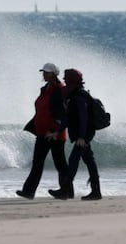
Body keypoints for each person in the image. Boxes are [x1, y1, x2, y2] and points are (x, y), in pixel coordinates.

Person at [16, 63, 70, 199]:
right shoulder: (45, 88)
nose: (44, 74)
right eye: (43, 72)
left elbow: (61, 113)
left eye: (47, 72)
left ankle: (66, 191)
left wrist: (54, 130)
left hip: (54, 134)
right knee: (38, 162)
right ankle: (28, 191)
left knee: (60, 164)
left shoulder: (59, 89)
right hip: (42, 133)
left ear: (53, 74)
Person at [49, 69, 102, 200]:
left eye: (66, 78)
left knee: (74, 160)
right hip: (82, 133)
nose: (65, 80)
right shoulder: (72, 94)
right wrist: (58, 131)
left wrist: (82, 137)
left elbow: (83, 117)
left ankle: (65, 190)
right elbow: (68, 118)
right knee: (89, 160)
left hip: (84, 133)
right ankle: (96, 192)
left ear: (72, 79)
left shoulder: (79, 95)